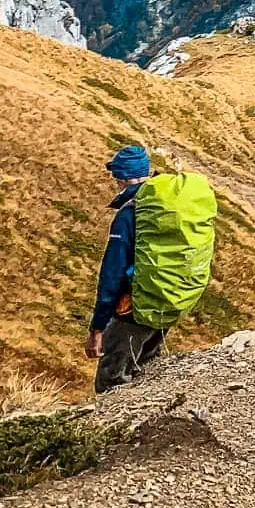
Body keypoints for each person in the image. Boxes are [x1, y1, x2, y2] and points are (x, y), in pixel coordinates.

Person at [87, 143, 165, 392]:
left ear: (121, 178)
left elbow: (112, 276)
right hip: (167, 298)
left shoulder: (129, 214)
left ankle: (115, 429)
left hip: (135, 308)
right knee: (148, 369)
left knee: (111, 381)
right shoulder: (164, 205)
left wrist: (97, 328)